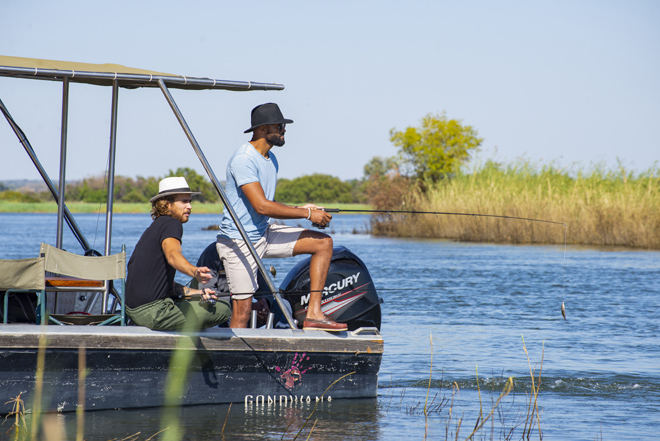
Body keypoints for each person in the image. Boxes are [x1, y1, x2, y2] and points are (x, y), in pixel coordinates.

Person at [216, 102, 346, 331]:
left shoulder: (270, 159)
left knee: (323, 243)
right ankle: (231, 360)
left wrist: (302, 207)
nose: (284, 130)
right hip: (238, 241)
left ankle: (314, 314)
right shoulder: (243, 159)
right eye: (280, 126)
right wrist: (307, 214)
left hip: (263, 233)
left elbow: (269, 203)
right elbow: (262, 207)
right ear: (263, 129)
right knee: (243, 311)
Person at [125, 176, 231, 331]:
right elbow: (173, 255)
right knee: (223, 308)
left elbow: (167, 286)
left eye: (190, 201)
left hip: (133, 311)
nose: (189, 207)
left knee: (201, 303)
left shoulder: (155, 227)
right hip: (154, 312)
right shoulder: (171, 224)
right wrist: (194, 271)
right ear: (167, 205)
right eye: (184, 201)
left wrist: (199, 292)